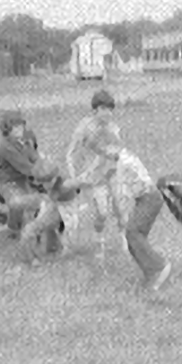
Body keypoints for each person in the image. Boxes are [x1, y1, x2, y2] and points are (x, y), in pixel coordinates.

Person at [80, 126, 174, 292]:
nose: (101, 154)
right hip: (145, 199)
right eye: (97, 151)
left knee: (133, 233)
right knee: (134, 239)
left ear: (111, 145)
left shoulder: (124, 162)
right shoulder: (119, 160)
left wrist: (121, 216)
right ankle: (150, 273)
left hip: (150, 199)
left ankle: (160, 267)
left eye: (102, 149)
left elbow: (121, 193)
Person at [66, 89, 124, 256]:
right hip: (94, 177)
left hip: (112, 173)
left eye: (110, 109)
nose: (107, 113)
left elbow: (118, 151)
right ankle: (100, 241)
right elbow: (72, 151)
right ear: (95, 110)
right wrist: (73, 174)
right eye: (103, 109)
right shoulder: (84, 127)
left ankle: (125, 241)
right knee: (102, 212)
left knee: (120, 208)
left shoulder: (113, 128)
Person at [0, 112, 43, 238]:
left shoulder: (25, 142)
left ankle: (35, 225)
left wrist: (44, 168)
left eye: (21, 126)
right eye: (15, 127)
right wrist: (43, 175)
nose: (19, 130)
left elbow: (35, 158)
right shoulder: (6, 147)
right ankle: (13, 230)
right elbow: (25, 167)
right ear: (7, 130)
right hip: (9, 183)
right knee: (17, 203)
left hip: (24, 181)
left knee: (39, 201)